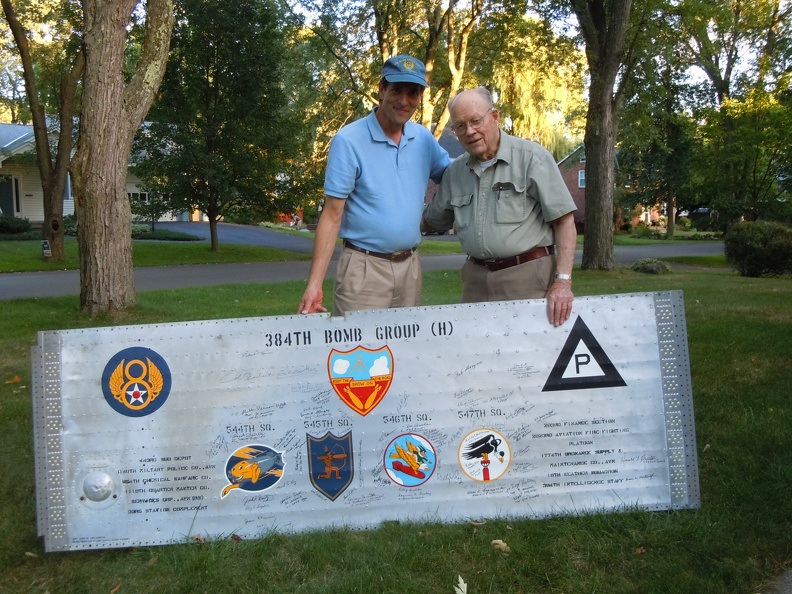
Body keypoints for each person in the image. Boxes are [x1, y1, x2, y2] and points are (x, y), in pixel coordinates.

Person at [298, 55, 450, 316]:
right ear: (381, 89)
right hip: (363, 269)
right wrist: (314, 284)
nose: (404, 101)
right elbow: (332, 215)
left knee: (403, 350)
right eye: (396, 90)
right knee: (358, 354)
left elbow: (454, 175)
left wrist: (434, 217)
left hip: (410, 268)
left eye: (412, 93)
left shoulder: (423, 139)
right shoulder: (348, 141)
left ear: (420, 97)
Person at [421, 87, 577, 327]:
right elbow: (431, 220)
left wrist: (563, 282)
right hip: (475, 281)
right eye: (460, 126)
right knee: (474, 357)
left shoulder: (531, 158)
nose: (470, 132)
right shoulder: (455, 173)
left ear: (494, 117)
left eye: (475, 121)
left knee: (526, 358)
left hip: (527, 279)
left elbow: (564, 222)